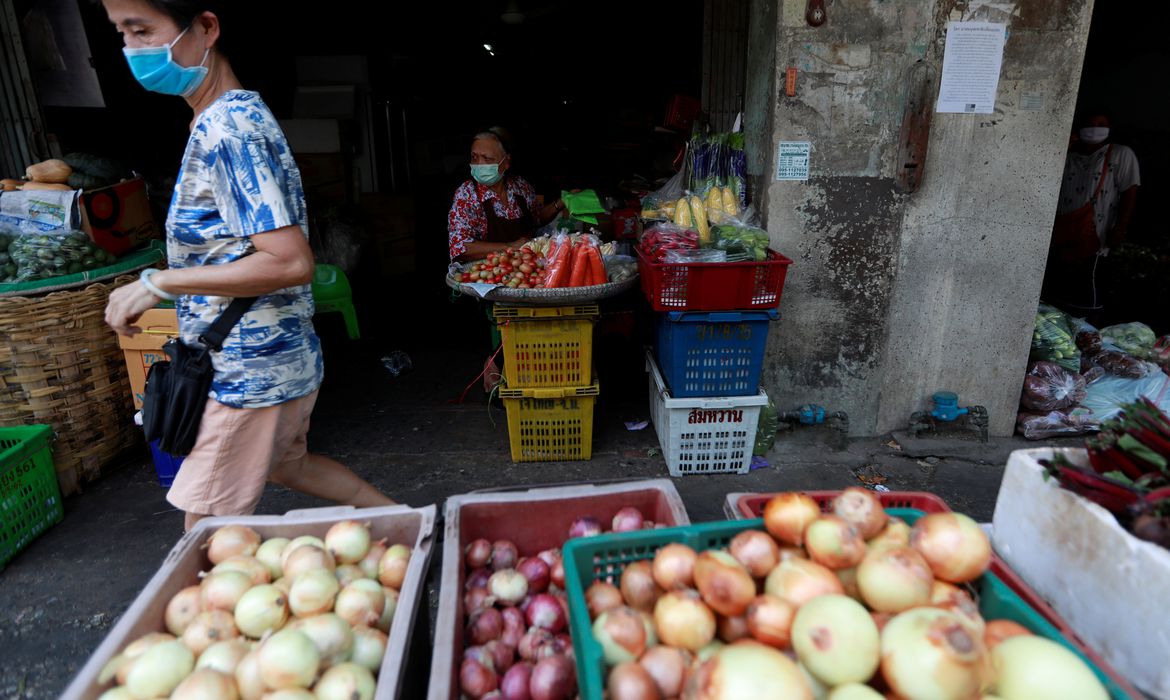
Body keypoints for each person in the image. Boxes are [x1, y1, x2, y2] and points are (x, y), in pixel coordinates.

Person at [100, 0, 394, 531]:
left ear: (207, 28)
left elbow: (289, 262)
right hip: (277, 362)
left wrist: (159, 283)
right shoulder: (229, 117)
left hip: (247, 374)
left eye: (143, 30)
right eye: (122, 32)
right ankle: (412, 525)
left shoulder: (228, 130)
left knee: (204, 531)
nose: (131, 49)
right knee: (291, 467)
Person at [1046, 111, 1140, 314]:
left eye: (1101, 124)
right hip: (1063, 229)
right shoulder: (1070, 156)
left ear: (1110, 128)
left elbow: (1129, 191)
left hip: (1095, 230)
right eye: (1090, 123)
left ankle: (1088, 335)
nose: (1095, 128)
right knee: (1059, 290)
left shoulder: (1120, 154)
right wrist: (1065, 145)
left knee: (1088, 287)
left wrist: (1120, 228)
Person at [447, 129, 566, 263]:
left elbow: (536, 217)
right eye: (474, 157)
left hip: (525, 268)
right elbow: (460, 247)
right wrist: (509, 247)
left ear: (506, 162)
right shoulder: (466, 195)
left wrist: (561, 202)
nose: (479, 164)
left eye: (487, 158)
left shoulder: (520, 187)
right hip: (487, 274)